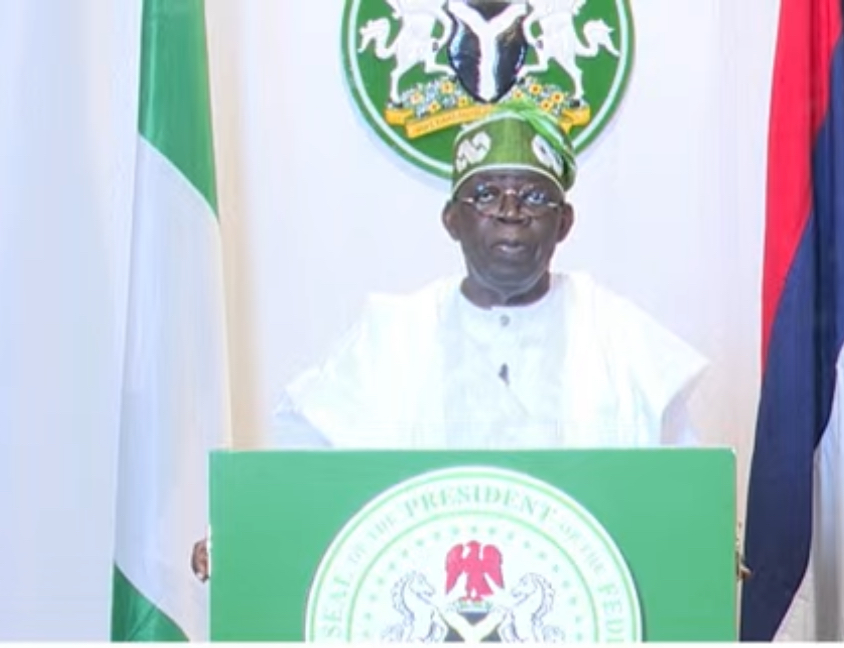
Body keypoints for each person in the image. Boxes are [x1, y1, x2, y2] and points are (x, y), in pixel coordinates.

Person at [190, 102, 712, 581]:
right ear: (451, 220)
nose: (510, 211)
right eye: (485, 195)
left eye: (535, 197)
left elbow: (681, 496)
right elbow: (304, 481)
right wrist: (243, 537)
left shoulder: (621, 340)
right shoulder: (391, 337)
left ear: (564, 223)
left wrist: (709, 547)